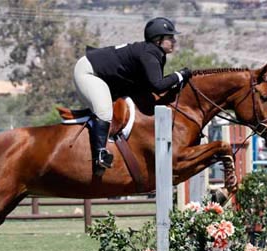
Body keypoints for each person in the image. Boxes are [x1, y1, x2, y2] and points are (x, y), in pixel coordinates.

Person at [73, 17, 192, 175]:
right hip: (88, 72)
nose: (174, 41)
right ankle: (100, 155)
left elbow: (151, 87)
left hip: (104, 76)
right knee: (104, 111)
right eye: (170, 38)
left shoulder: (154, 53)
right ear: (158, 40)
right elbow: (157, 85)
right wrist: (179, 75)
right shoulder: (150, 54)